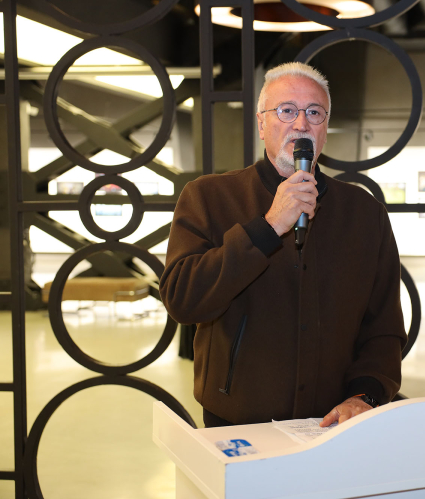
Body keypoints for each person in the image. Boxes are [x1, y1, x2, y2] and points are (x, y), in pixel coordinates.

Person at [160, 62, 407, 428]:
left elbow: (384, 327)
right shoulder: (208, 197)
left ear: (324, 129)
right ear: (262, 125)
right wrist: (269, 226)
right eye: (287, 110)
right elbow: (183, 299)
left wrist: (365, 394)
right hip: (237, 420)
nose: (301, 123)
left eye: (314, 113)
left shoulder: (365, 213)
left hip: (334, 424)